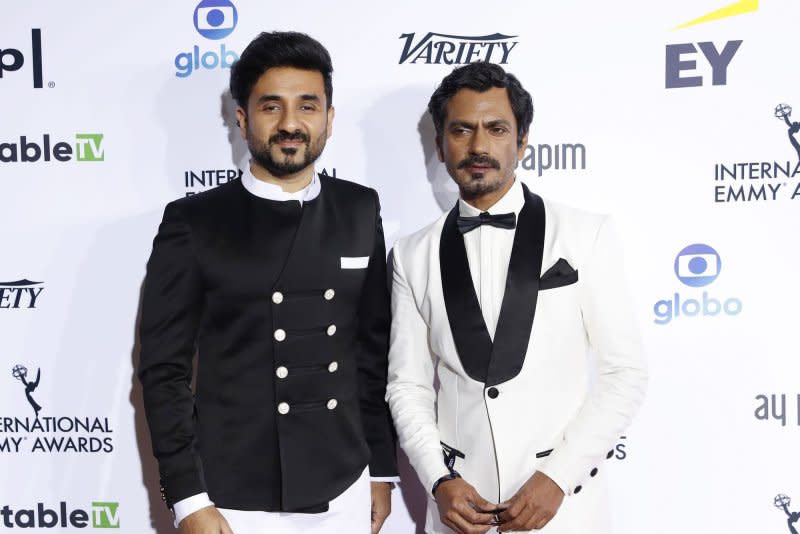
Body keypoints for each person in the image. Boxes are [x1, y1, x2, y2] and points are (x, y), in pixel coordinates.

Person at [138, 31, 397, 534]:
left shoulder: (360, 208)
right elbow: (163, 371)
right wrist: (188, 499)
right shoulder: (195, 221)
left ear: (329, 117)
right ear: (242, 118)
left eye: (307, 106)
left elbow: (373, 353)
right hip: (232, 498)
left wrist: (381, 469)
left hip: (343, 486)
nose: (290, 124)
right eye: (271, 107)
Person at [386, 62, 647, 534]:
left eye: (496, 129)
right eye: (461, 130)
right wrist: (439, 480)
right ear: (440, 147)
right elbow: (408, 386)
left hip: (566, 510)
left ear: (522, 141)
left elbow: (624, 374)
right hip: (460, 513)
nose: (479, 146)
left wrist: (558, 478)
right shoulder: (410, 255)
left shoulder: (586, 235)